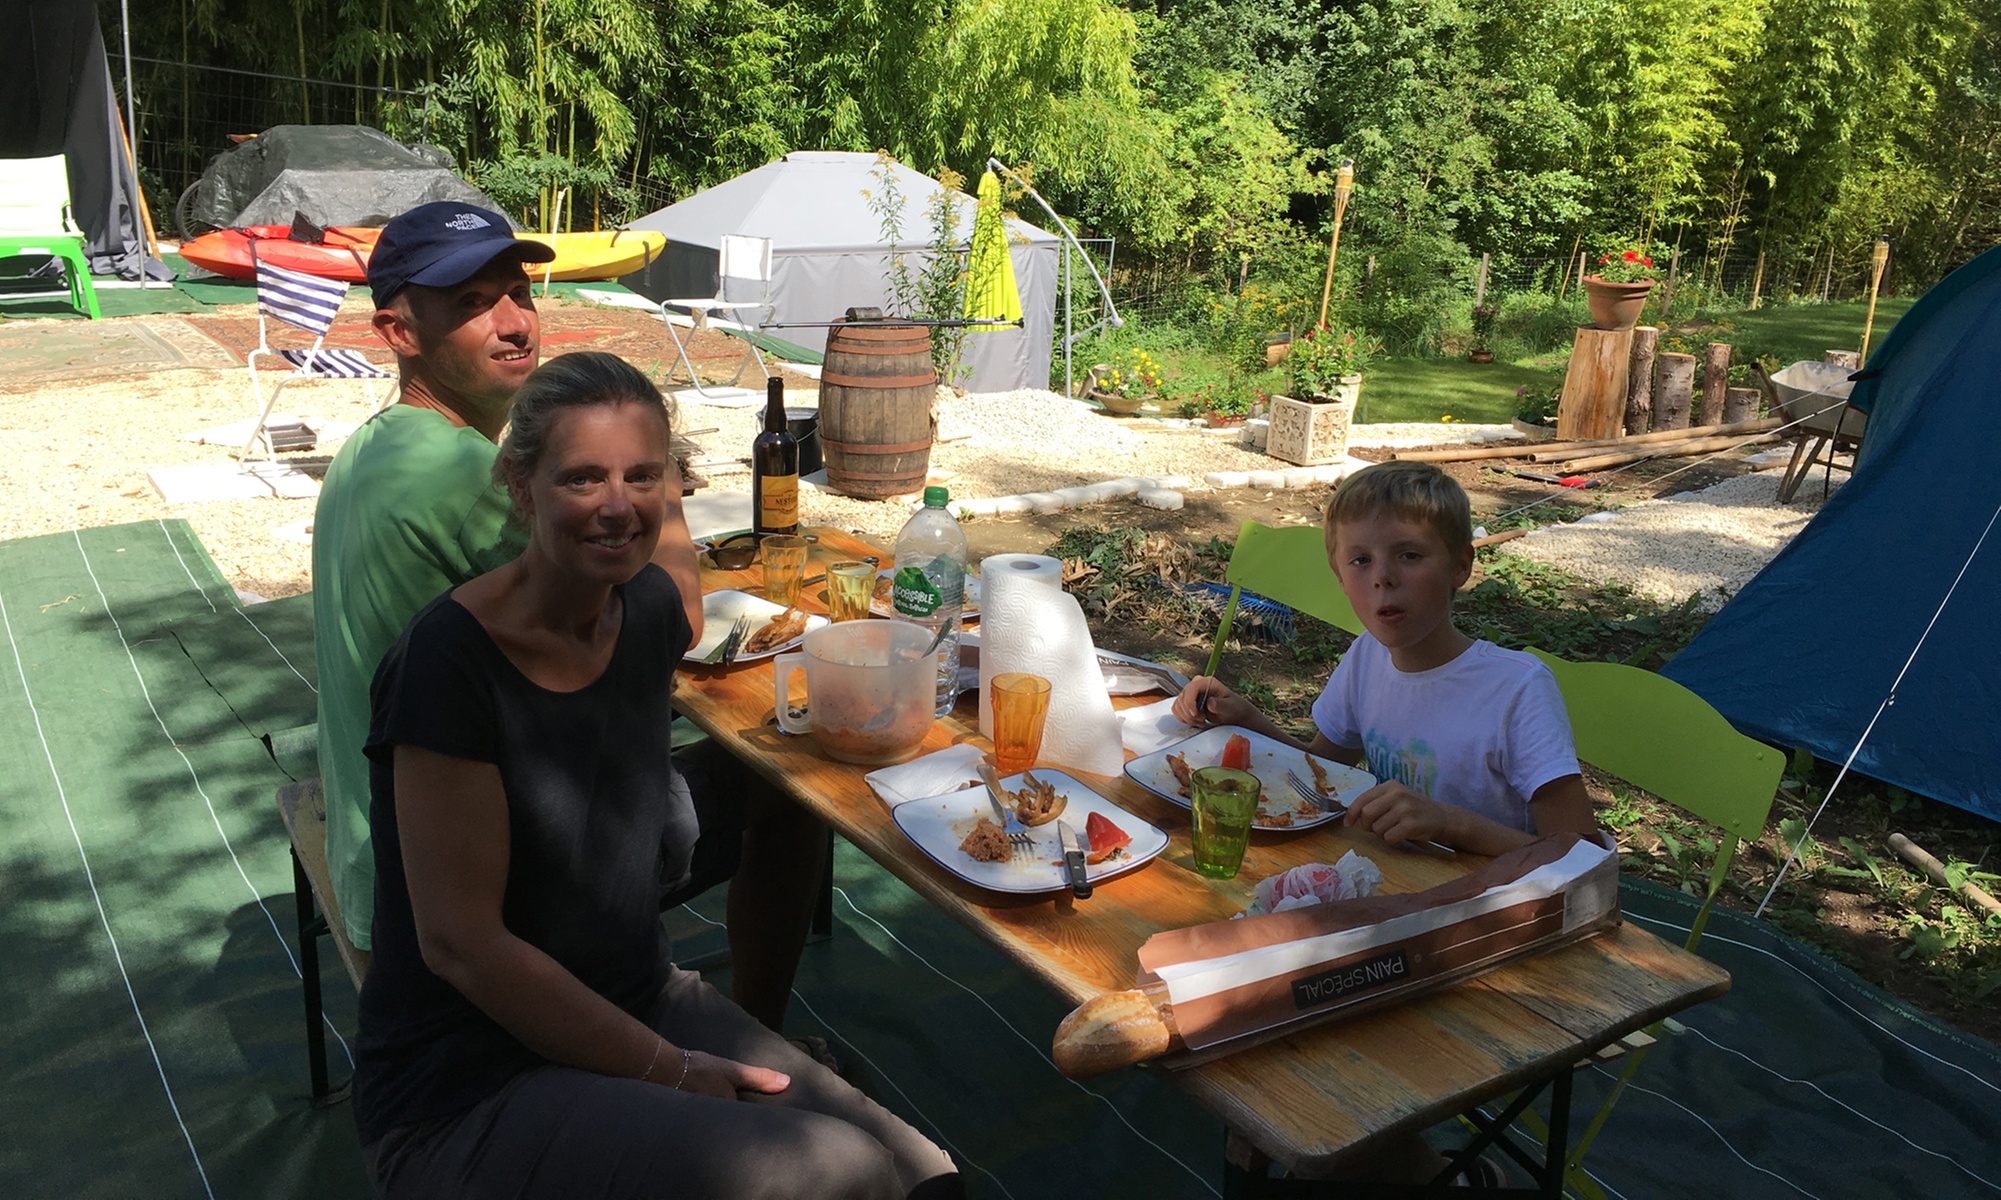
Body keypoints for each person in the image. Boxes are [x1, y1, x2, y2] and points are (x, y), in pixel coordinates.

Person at [355, 352, 960, 1199]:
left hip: (632, 990)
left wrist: (666, 497)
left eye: (642, 475)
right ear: (519, 486)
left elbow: (680, 600)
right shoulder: (448, 666)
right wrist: (669, 1071)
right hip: (469, 1081)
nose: (615, 506)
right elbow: (464, 948)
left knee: (926, 1176)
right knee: (843, 1171)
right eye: (581, 478)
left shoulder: (637, 614)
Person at [314, 202, 824, 1031]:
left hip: (375, 834)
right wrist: (660, 469)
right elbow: (678, 621)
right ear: (398, 332)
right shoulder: (457, 471)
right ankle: (763, 1029)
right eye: (472, 303)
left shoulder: (377, 443)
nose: (513, 323)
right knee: (788, 787)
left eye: (519, 293)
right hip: (453, 882)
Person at [1172, 459, 1598, 858]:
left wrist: (1451, 823)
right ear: (1340, 577)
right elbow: (1322, 770)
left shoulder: (1516, 690)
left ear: (1460, 565)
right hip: (1395, 881)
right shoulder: (1367, 656)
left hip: (1496, 907)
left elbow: (1581, 855)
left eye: (1409, 555)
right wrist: (1245, 719)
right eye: (1360, 560)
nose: (1382, 577)